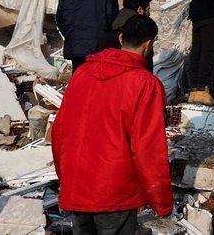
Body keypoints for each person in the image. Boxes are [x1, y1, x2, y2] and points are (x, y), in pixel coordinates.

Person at [52, 15, 173, 234]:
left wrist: (67, 178)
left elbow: (60, 131)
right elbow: (148, 149)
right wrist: (161, 201)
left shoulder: (82, 73)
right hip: (115, 192)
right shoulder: (145, 83)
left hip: (78, 185)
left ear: (120, 38)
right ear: (149, 45)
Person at [56, 0, 119, 70]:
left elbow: (60, 17)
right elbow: (112, 18)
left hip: (75, 44)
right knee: (95, 81)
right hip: (98, 45)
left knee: (79, 78)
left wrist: (70, 35)